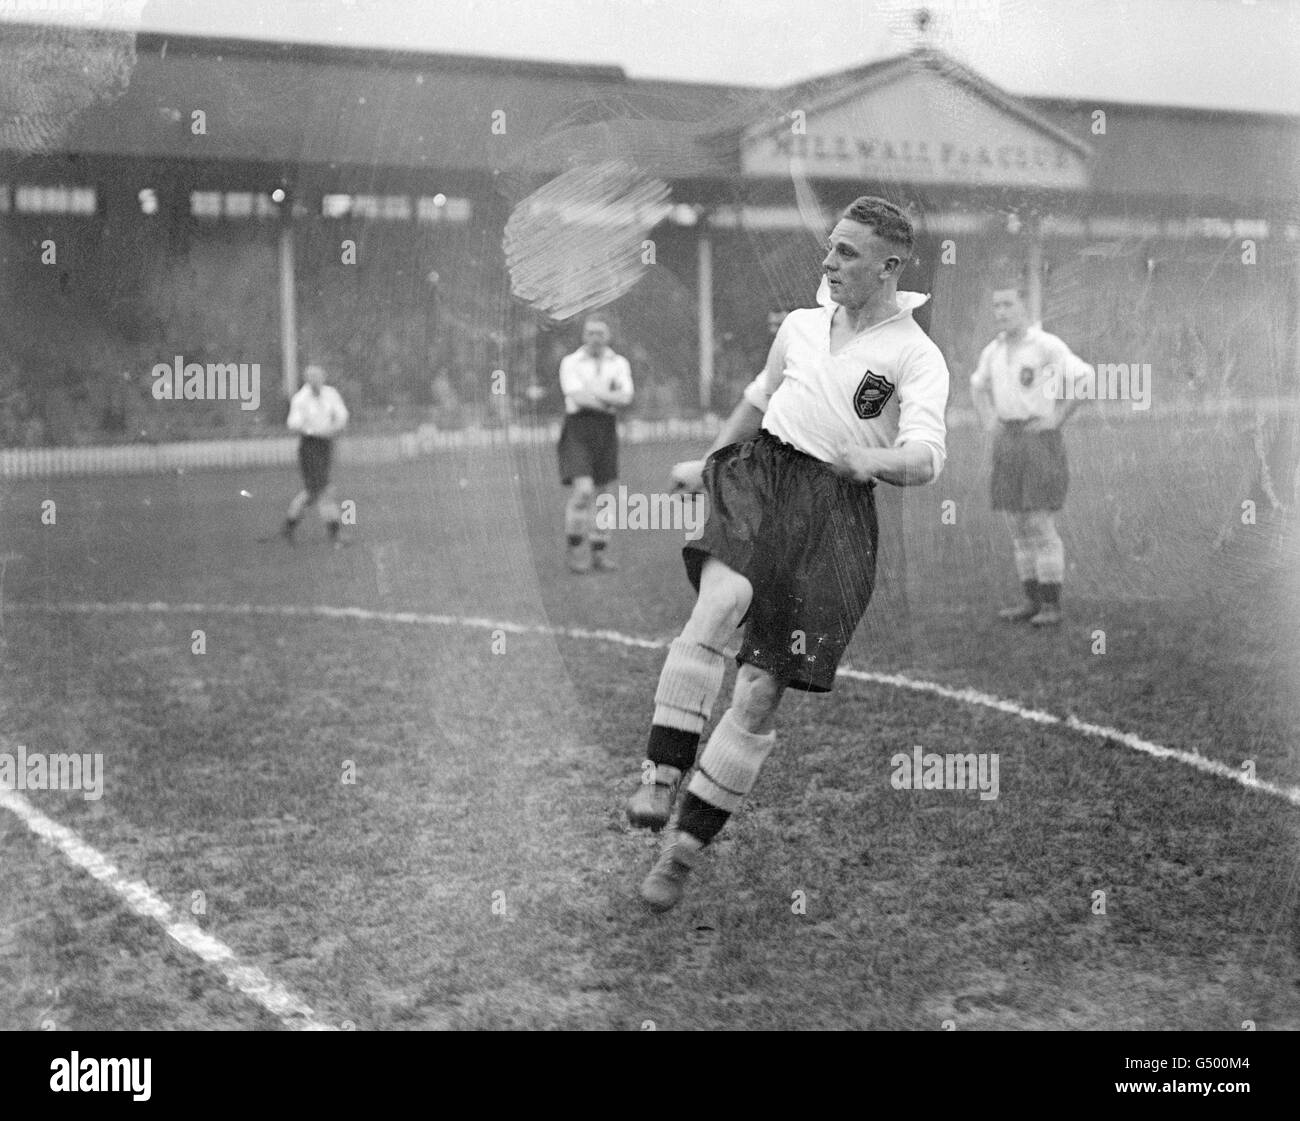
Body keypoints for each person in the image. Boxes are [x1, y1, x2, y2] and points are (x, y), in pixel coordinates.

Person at [625, 196, 950, 912]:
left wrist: (876, 461)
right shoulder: (801, 327)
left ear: (890, 265)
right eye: (830, 248)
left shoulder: (915, 356)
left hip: (836, 518)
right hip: (763, 479)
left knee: (760, 693)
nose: (829, 263)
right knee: (723, 599)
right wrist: (703, 461)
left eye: (847, 253)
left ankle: (682, 851)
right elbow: (757, 399)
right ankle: (659, 771)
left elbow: (927, 457)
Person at [969, 283, 1093, 626]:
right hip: (1008, 440)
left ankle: (1051, 605)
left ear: (1024, 306)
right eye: (996, 305)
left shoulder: (1046, 345)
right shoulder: (993, 350)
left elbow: (1086, 378)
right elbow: (977, 385)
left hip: (1039, 439)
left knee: (1039, 521)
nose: (1001, 312)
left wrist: (1057, 417)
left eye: (1007, 304)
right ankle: (1031, 601)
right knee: (1017, 523)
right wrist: (987, 418)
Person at [556, 316, 634, 573]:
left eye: (600, 333)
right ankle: (574, 549)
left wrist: (594, 393)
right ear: (583, 335)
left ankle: (599, 553)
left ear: (608, 335)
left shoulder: (619, 362)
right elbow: (576, 396)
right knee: (583, 491)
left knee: (602, 494)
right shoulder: (571, 362)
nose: (595, 338)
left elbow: (626, 396)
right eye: (590, 333)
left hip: (605, 430)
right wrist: (607, 400)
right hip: (579, 428)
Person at [280, 362, 350, 547]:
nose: (315, 381)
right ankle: (335, 534)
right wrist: (312, 430)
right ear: (306, 379)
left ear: (323, 377)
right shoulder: (301, 399)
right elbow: (293, 422)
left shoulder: (331, 394)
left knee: (312, 493)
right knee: (325, 490)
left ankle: (289, 526)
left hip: (325, 445)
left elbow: (342, 414)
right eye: (311, 377)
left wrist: (334, 427)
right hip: (309, 447)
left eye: (318, 377)